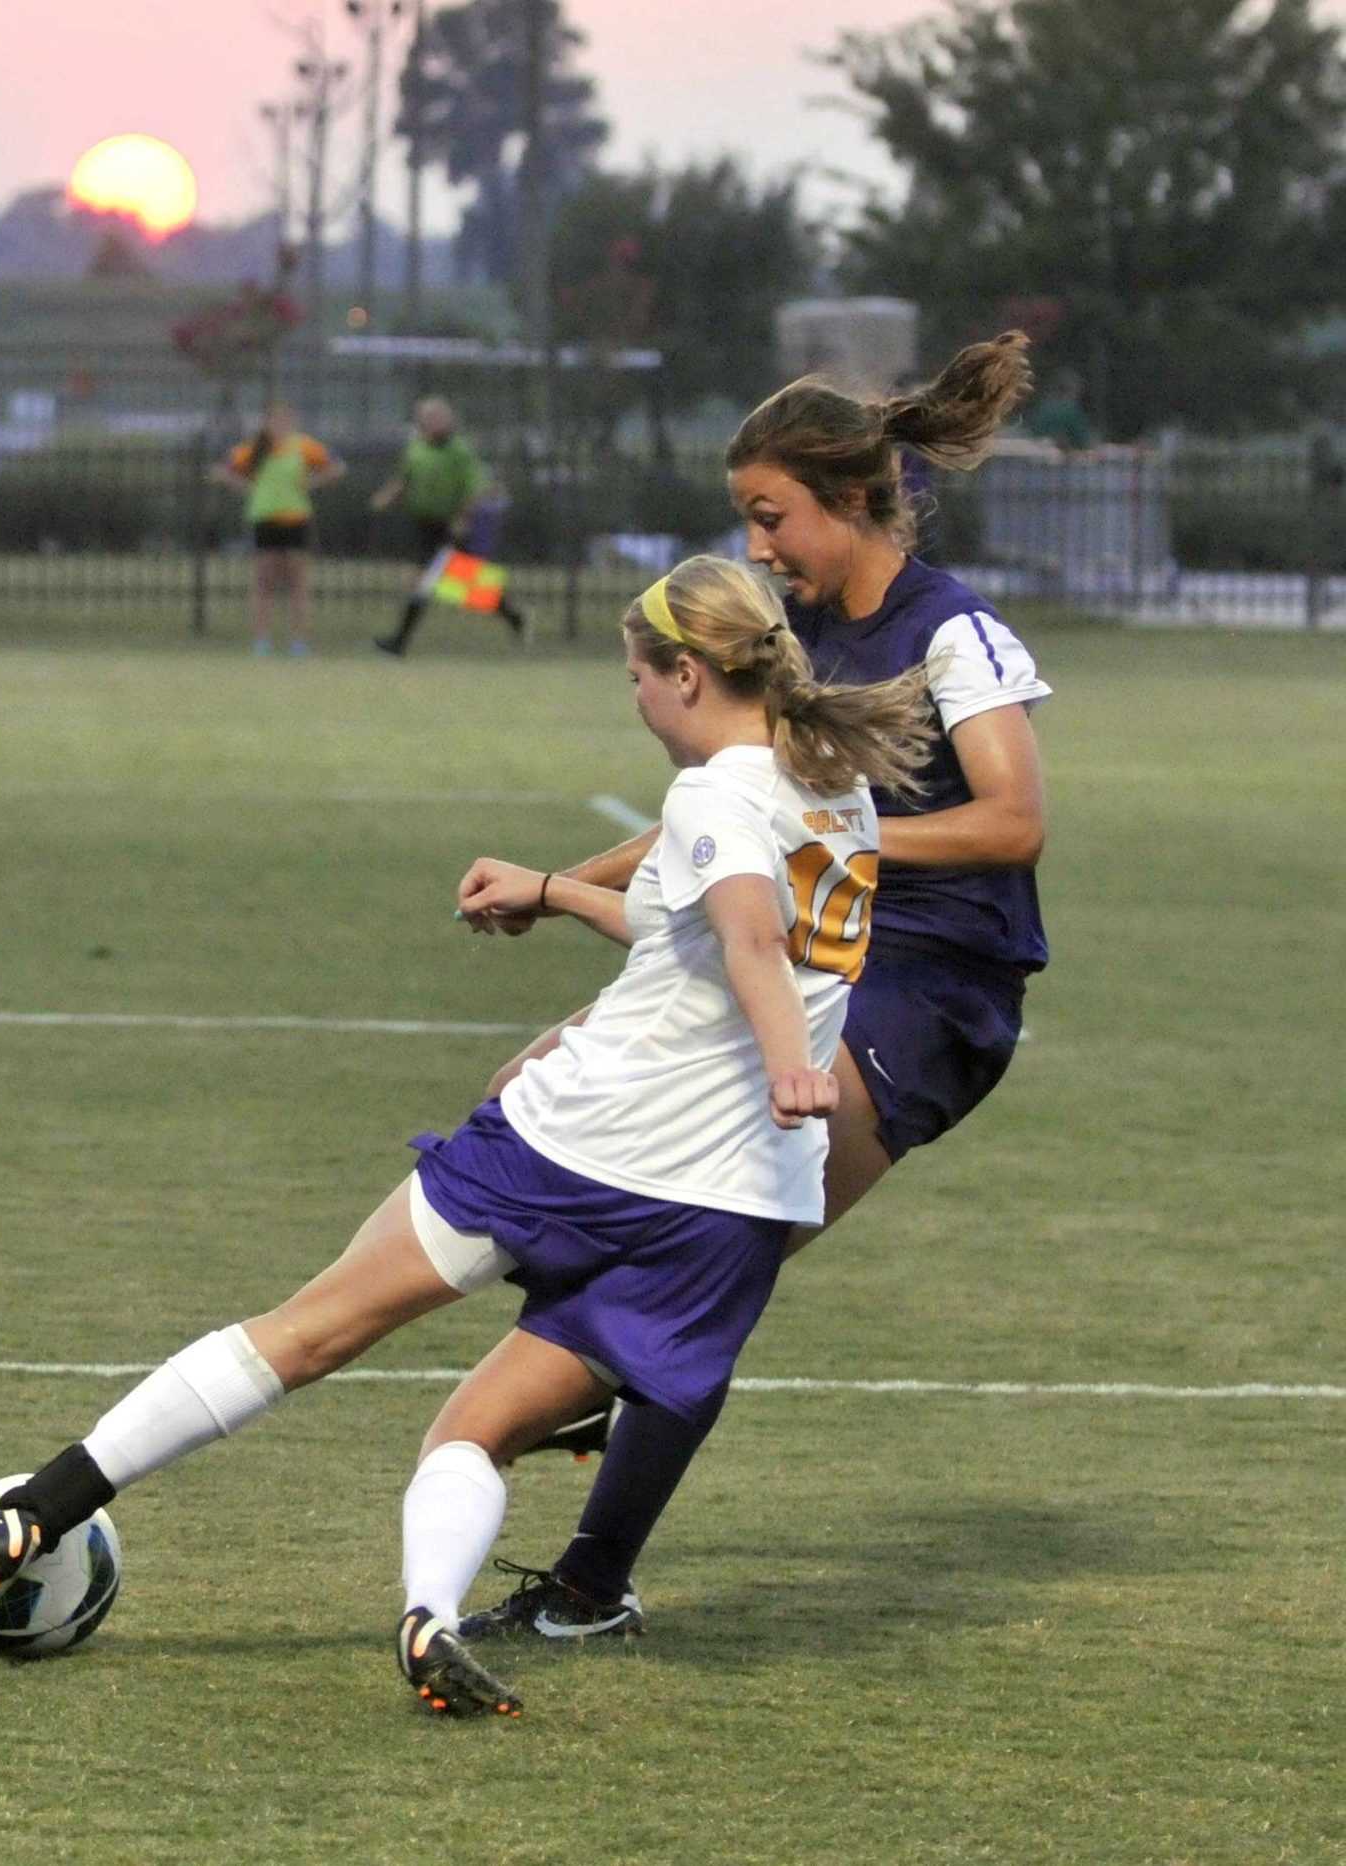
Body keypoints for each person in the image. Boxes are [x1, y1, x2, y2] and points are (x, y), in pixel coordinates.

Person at [0, 556, 936, 1718]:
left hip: (572, 1152)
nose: (634, 700)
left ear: (687, 675)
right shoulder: (835, 790)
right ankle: (428, 1616)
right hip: (726, 1206)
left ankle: (35, 1506)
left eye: (637, 678)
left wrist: (795, 1065)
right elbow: (693, 929)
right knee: (473, 1430)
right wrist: (552, 889)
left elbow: (747, 938)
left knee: (307, 1332)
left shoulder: (711, 796)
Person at [456, 332, 1053, 1646]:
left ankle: (591, 1567)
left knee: (703, 1253)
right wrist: (557, 879)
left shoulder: (952, 631)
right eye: (747, 520)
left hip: (932, 989)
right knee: (533, 1094)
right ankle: (601, 1421)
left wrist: (838, 837)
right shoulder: (795, 644)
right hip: (816, 958)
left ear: (850, 496)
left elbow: (1013, 822)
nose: (760, 545)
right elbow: (721, 813)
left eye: (772, 516)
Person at [370, 395, 528, 655]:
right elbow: (405, 479)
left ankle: (398, 643)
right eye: (427, 417)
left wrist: (462, 518)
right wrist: (386, 497)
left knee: (427, 581)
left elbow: (477, 489)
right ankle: (514, 616)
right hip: (423, 525)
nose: (431, 422)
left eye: (437, 417)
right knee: (462, 582)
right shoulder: (416, 448)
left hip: (449, 525)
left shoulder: (459, 451)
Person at [213, 401, 342, 656]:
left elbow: (336, 467)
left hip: (296, 519)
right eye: (274, 420)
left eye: (285, 419)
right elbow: (221, 470)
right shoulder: (254, 449)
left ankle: (299, 641)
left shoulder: (304, 446)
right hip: (264, 519)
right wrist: (247, 488)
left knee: (297, 583)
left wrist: (312, 483)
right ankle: (261, 640)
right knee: (264, 582)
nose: (280, 425)